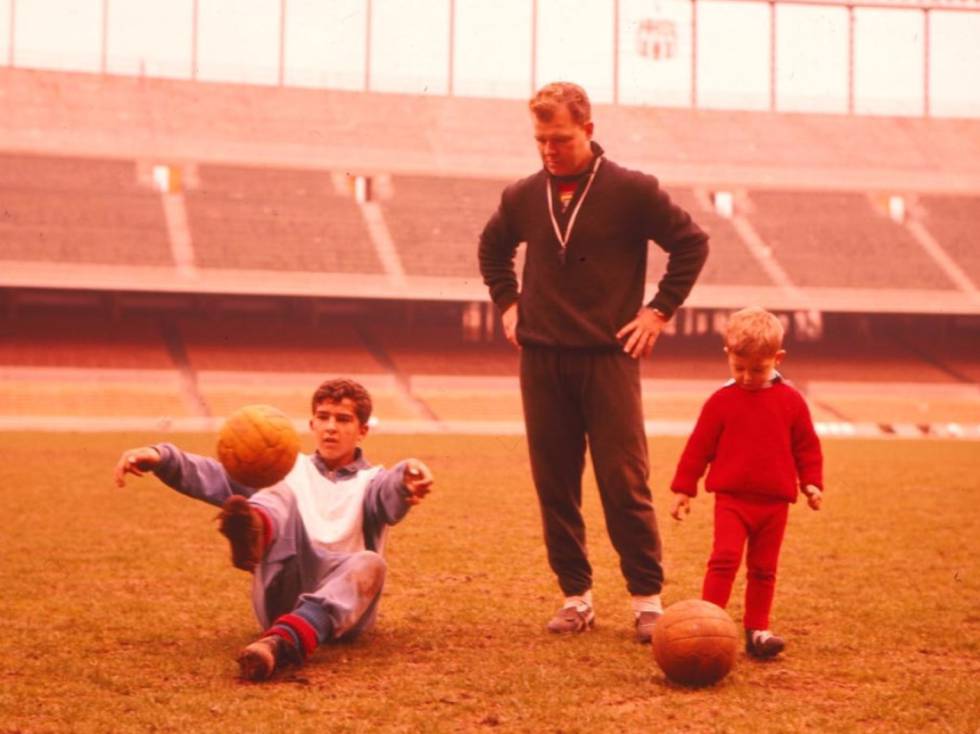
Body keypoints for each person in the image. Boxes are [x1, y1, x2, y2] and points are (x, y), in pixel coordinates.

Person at [478, 81, 709, 642]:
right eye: (540, 140)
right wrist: (508, 304)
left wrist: (658, 311)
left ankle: (647, 600)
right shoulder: (523, 195)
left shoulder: (632, 190)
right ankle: (576, 596)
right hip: (542, 360)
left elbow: (692, 243)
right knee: (554, 483)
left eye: (559, 139)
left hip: (608, 358)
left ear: (588, 130)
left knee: (622, 481)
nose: (549, 150)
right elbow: (491, 250)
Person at [113, 378, 433, 680]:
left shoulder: (372, 481)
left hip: (345, 613)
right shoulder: (284, 468)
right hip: (282, 591)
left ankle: (280, 642)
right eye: (323, 417)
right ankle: (253, 532)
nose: (331, 428)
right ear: (311, 425)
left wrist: (406, 478)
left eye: (343, 419)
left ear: (362, 430)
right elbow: (217, 475)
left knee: (371, 562)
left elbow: (389, 494)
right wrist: (161, 457)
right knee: (277, 491)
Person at [668, 307, 823, 658]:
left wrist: (812, 483)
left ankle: (758, 630)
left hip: (774, 504)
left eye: (758, 369)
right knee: (723, 558)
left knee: (764, 569)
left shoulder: (792, 401)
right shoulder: (720, 402)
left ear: (777, 358)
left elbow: (807, 446)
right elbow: (698, 448)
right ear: (727, 355)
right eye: (739, 368)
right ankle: (708, 625)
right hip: (732, 501)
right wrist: (683, 489)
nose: (748, 377)